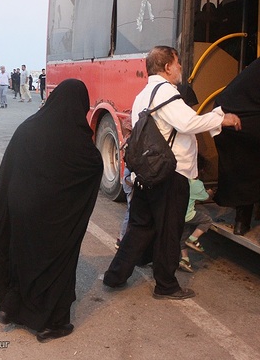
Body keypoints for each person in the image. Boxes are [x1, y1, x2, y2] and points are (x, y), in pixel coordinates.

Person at [103, 46, 241, 300]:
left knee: (139, 228)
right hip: (170, 174)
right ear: (167, 67)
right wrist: (222, 119)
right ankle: (166, 285)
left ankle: (115, 275)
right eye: (177, 63)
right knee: (169, 231)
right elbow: (189, 123)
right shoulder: (167, 92)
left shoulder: (143, 94)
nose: (180, 68)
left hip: (146, 173)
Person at [0, 79, 103, 342]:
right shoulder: (77, 140)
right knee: (55, 263)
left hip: (19, 208)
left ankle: (9, 307)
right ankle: (51, 323)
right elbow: (94, 166)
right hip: (53, 217)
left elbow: (8, 172)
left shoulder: (27, 127)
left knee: (20, 255)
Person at [213, 47, 260, 236]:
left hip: (227, 116)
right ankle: (254, 216)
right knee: (258, 167)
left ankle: (242, 222)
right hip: (241, 119)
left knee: (243, 170)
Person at [178, 178, 215, 273]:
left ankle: (185, 259)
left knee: (183, 237)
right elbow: (205, 197)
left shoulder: (178, 180)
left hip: (178, 215)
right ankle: (193, 239)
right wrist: (210, 193)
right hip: (188, 215)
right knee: (207, 220)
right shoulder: (195, 183)